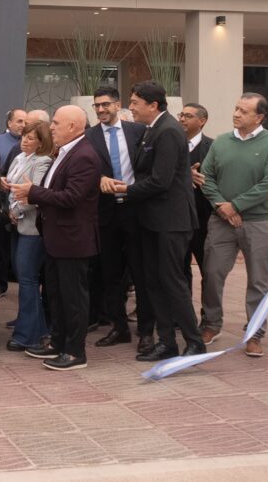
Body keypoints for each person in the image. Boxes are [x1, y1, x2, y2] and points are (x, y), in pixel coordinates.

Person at [110, 81, 206, 361]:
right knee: (154, 282)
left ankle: (194, 342)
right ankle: (166, 343)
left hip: (170, 221)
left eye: (135, 102)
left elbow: (161, 181)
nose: (131, 107)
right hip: (151, 220)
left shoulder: (169, 131)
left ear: (153, 105)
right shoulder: (152, 130)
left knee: (172, 282)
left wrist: (126, 190)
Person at [11, 106, 101, 371]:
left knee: (73, 298)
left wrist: (33, 192)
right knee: (56, 294)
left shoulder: (84, 155)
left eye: (57, 123)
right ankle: (58, 342)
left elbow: (71, 197)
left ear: (73, 126)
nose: (51, 127)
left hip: (73, 240)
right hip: (55, 237)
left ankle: (75, 352)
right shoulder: (64, 151)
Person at [200, 94, 268, 358]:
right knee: (212, 273)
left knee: (258, 280)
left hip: (258, 222)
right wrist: (222, 206)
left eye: (244, 111)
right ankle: (211, 324)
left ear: (259, 117)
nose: (236, 114)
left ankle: (254, 333)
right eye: (236, 108)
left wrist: (235, 205)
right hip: (221, 220)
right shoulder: (222, 142)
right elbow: (206, 177)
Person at [85, 86, 153, 353]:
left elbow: (149, 167)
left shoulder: (139, 132)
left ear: (117, 104)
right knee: (110, 274)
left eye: (105, 104)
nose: (101, 110)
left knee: (141, 272)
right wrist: (98, 178)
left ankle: (146, 331)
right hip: (106, 212)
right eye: (97, 106)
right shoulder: (88, 137)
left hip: (135, 210)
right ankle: (119, 327)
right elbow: (83, 169)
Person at [2, 120, 53, 352]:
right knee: (23, 277)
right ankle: (37, 327)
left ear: (41, 142)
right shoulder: (19, 158)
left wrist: (16, 210)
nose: (24, 141)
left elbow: (36, 193)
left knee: (28, 280)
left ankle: (28, 336)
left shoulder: (43, 161)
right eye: (23, 136)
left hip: (32, 227)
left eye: (31, 138)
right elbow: (14, 187)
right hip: (16, 225)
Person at [0, 109, 28, 301]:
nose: (23, 125)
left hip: (25, 206)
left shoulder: (27, 149)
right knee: (2, 247)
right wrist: (0, 179)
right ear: (9, 123)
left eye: (25, 122)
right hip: (4, 202)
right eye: (19, 121)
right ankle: (0, 283)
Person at [180, 103, 213, 303]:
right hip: (178, 219)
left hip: (204, 220)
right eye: (181, 115)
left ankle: (208, 314)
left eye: (188, 116)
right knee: (180, 270)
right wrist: (186, 175)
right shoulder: (171, 143)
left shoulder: (214, 147)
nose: (182, 119)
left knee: (208, 271)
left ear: (202, 121)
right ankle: (182, 315)